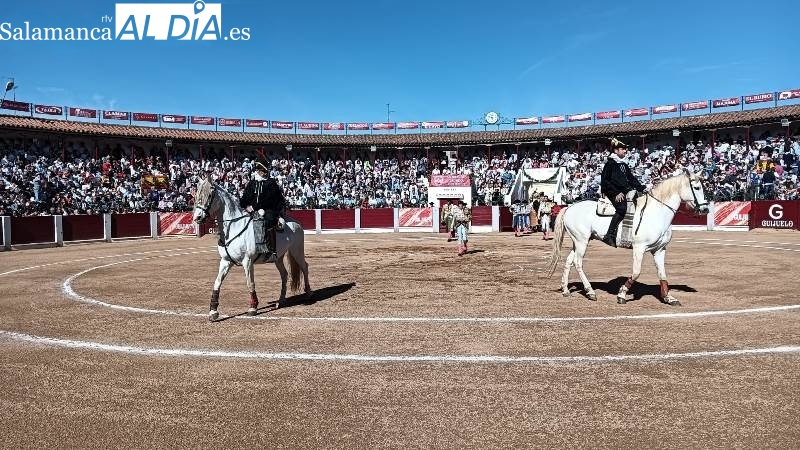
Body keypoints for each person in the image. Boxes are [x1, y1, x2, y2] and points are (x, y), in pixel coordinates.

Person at [600, 138, 646, 247]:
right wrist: (616, 192)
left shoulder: (623, 164)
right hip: (613, 192)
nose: (625, 151)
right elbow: (605, 181)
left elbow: (631, 179)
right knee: (622, 208)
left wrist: (642, 188)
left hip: (624, 192)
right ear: (616, 151)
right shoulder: (610, 163)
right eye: (623, 149)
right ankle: (609, 234)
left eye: (625, 149)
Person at [239, 160, 286, 260]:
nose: (265, 173)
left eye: (266, 171)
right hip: (253, 209)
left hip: (269, 208)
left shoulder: (271, 183)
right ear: (257, 171)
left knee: (268, 221)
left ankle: (271, 250)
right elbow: (245, 197)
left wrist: (254, 207)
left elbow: (270, 199)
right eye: (263, 171)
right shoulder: (252, 183)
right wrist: (246, 206)